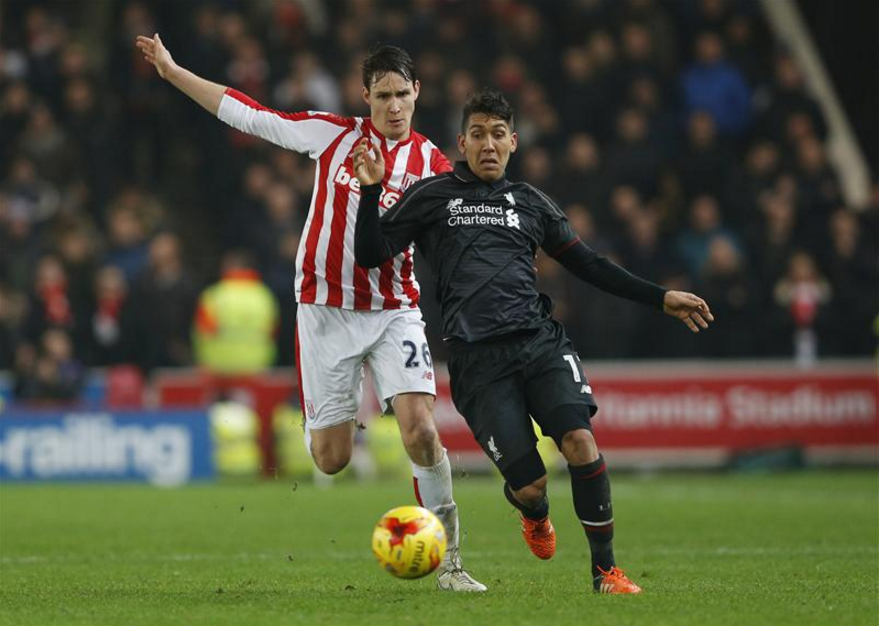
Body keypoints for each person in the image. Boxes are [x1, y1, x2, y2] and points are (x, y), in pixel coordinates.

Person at [134, 34, 485, 592]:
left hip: (395, 309)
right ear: (365, 97)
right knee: (329, 460)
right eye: (381, 96)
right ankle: (327, 423)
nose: (393, 106)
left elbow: (463, 230)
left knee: (420, 429)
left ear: (417, 92)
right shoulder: (334, 136)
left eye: (401, 94)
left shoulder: (434, 166)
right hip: (324, 312)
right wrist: (175, 72)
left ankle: (453, 564)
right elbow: (252, 116)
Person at [353, 91, 714, 594]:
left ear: (513, 142)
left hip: (539, 343)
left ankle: (605, 572)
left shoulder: (531, 203)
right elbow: (371, 253)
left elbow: (589, 264)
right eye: (478, 134)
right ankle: (534, 512)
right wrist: (370, 194)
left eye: (498, 134)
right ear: (462, 141)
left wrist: (660, 298)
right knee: (531, 484)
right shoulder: (433, 196)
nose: (488, 144)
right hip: (477, 360)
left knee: (580, 442)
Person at [192, 250, 279, 375]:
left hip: (218, 369)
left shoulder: (213, 295)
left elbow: (202, 333)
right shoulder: (264, 296)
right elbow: (272, 332)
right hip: (257, 368)